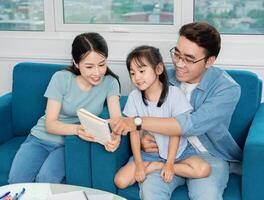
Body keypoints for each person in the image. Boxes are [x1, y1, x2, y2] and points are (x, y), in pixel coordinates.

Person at [110, 22, 242, 200]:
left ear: (209, 61)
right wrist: (142, 137)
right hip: (163, 152)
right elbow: (141, 106)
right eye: (176, 54)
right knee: (151, 192)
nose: (179, 64)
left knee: (206, 196)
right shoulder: (164, 77)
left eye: (188, 59)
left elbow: (189, 125)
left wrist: (137, 122)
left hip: (208, 155)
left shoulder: (227, 89)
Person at [8, 32, 122, 183]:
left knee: (46, 179)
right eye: (89, 66)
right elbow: (50, 124)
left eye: (102, 64)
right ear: (76, 63)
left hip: (69, 144)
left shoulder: (110, 83)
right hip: (40, 138)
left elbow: (117, 120)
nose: (97, 72)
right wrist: (78, 129)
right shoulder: (61, 78)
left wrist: (116, 138)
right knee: (16, 181)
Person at [114, 45, 211, 190]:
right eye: (132, 73)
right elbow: (134, 133)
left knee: (204, 169)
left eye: (141, 71)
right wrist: (139, 165)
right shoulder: (134, 97)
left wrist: (169, 164)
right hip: (150, 153)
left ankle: (158, 167)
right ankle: (158, 165)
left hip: (179, 153)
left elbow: (176, 131)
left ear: (158, 69)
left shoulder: (174, 94)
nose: (137, 77)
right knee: (120, 181)